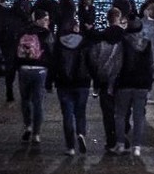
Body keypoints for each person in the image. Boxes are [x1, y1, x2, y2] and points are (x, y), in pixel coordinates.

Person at [47, 15, 95, 155]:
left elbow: (53, 64)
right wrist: (95, 79)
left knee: (67, 113)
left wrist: (49, 82)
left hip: (63, 82)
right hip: (82, 82)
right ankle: (81, 133)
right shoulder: (84, 41)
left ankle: (70, 147)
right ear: (75, 27)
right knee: (80, 112)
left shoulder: (59, 43)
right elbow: (90, 62)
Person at [113, 8, 154, 155]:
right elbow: (151, 65)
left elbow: (117, 63)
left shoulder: (123, 42)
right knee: (139, 116)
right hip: (142, 83)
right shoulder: (147, 43)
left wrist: (113, 81)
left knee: (120, 114)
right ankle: (136, 146)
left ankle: (120, 143)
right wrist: (150, 82)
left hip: (125, 81)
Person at [89, 8, 129, 153]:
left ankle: (111, 140)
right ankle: (122, 136)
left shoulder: (100, 37)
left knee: (107, 113)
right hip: (122, 80)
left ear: (107, 19)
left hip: (104, 79)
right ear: (119, 18)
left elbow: (93, 59)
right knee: (123, 111)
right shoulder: (125, 38)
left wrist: (96, 77)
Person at [13, 9, 52, 143]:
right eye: (46, 19)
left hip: (24, 70)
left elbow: (16, 51)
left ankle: (27, 126)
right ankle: (36, 133)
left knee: (25, 100)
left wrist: (17, 67)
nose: (48, 22)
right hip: (40, 70)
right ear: (39, 20)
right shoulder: (46, 33)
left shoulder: (23, 31)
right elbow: (51, 53)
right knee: (38, 102)